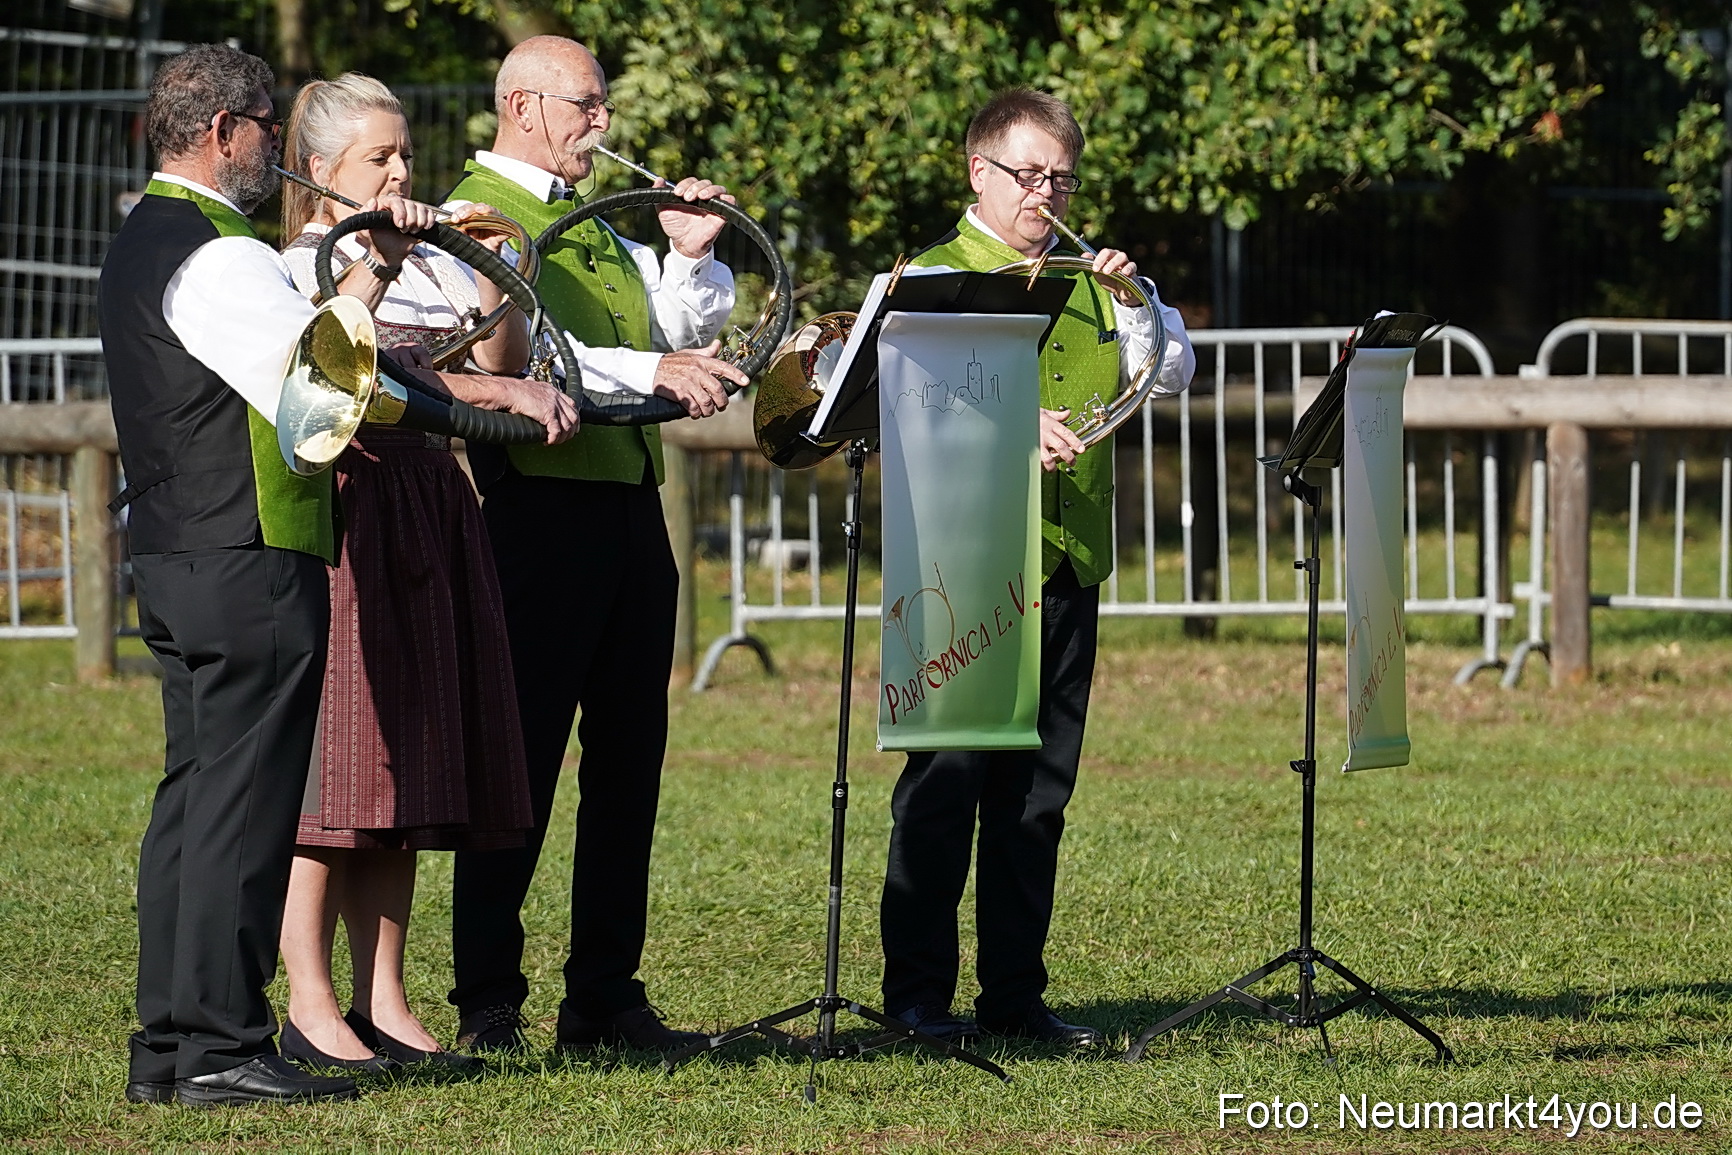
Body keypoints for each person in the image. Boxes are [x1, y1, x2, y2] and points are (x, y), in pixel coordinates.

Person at [877, 88, 1196, 1049]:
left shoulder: (1094, 282)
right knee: (946, 785)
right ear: (979, 172)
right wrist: (1011, 422)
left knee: (1036, 796)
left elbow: (1173, 372)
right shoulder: (929, 278)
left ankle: (1013, 995)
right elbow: (894, 405)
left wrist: (1137, 302)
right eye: (1028, 175)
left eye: (1061, 179)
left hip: (1066, 560)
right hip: (961, 566)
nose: (1045, 195)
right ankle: (917, 999)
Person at [272, 73, 577, 1077]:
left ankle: (385, 998)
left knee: (405, 764)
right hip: (351, 509)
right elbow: (333, 367)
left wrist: (498, 272)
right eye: (379, 158)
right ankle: (310, 1002)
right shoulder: (297, 265)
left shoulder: (432, 259)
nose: (401, 172)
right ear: (321, 170)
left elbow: (502, 360)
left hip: (429, 507)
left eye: (404, 154)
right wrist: (384, 264)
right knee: (337, 769)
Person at [442, 35, 742, 1054]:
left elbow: (667, 330)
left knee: (628, 759)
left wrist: (688, 255)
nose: (602, 122)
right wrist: (653, 368)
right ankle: (488, 999)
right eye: (587, 104)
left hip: (625, 507)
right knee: (520, 760)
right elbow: (536, 357)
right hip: (535, 514)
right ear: (523, 106)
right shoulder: (477, 213)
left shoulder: (597, 222)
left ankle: (605, 995)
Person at [100, 43, 356, 1107]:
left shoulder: (141, 237)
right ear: (222, 133)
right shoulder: (220, 249)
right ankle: (219, 1043)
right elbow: (325, 383)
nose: (275, 144)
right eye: (266, 124)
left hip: (176, 549)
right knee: (243, 805)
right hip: (243, 553)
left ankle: (170, 1044)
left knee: (196, 800)